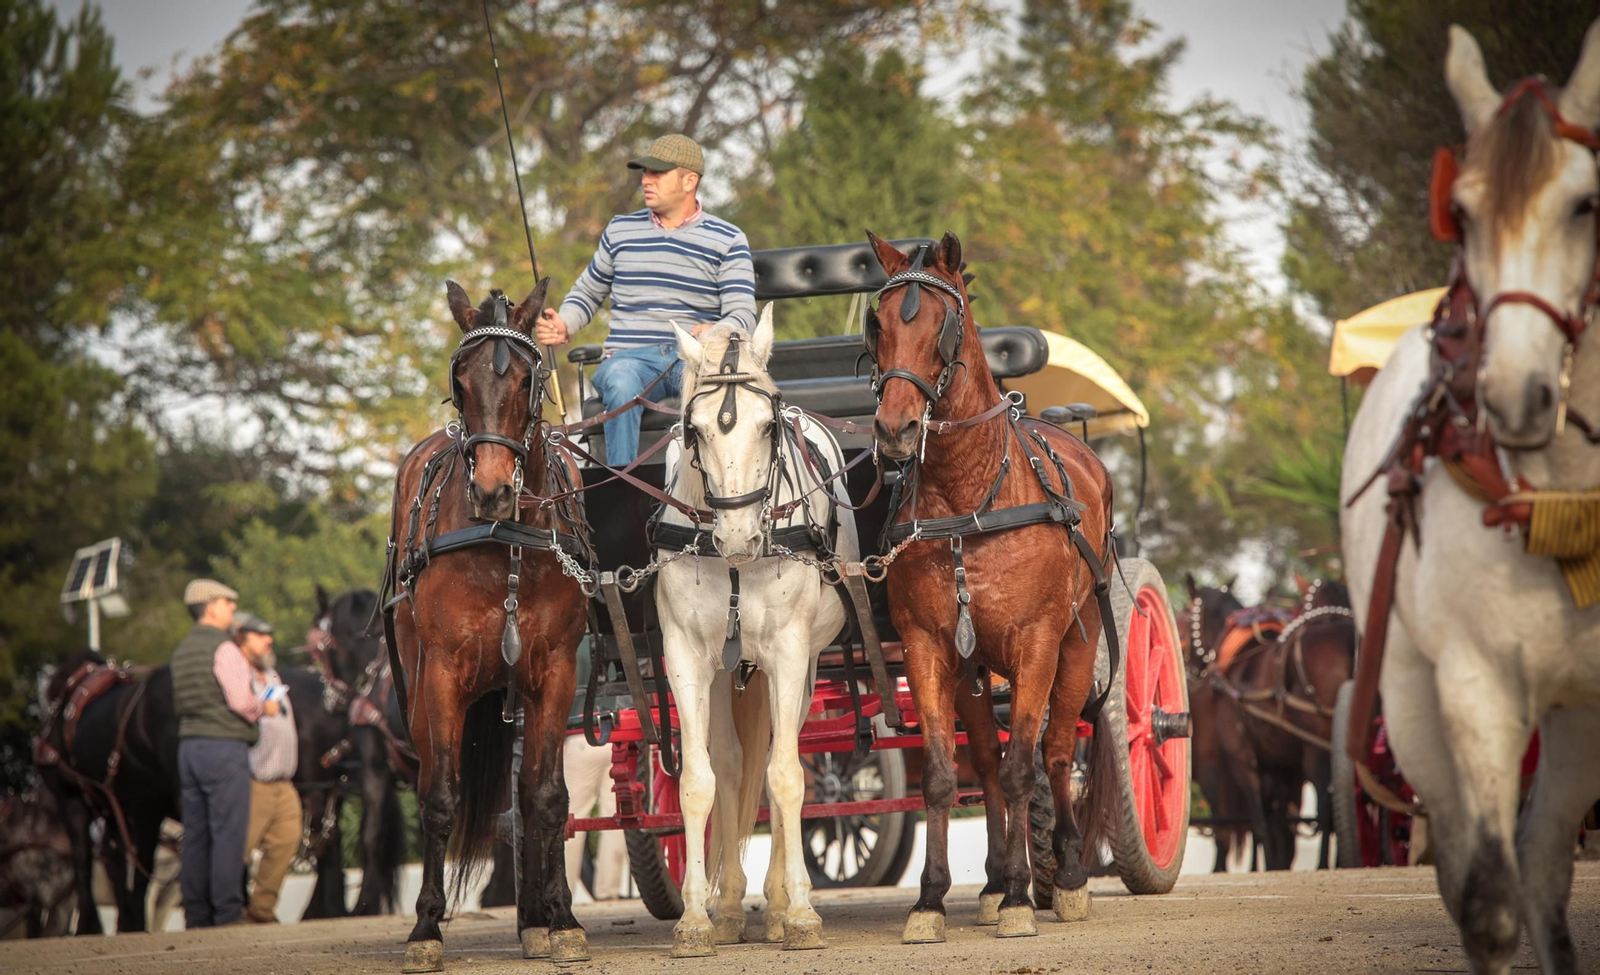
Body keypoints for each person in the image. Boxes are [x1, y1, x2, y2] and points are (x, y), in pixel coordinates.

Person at [537, 133, 757, 466]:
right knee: (622, 382)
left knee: (715, 390)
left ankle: (711, 488)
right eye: (644, 173)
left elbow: (742, 313)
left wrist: (715, 331)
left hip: (694, 357)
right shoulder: (620, 231)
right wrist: (564, 322)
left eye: (657, 173)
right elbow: (587, 291)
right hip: (630, 359)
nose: (646, 180)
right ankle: (622, 490)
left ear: (689, 181)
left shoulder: (727, 239)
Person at [171, 579, 278, 928]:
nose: (233, 608)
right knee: (229, 833)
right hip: (223, 748)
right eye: (227, 603)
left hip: (189, 748)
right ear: (211, 606)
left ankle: (197, 916)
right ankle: (229, 913)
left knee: (196, 836)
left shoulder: (182, 649)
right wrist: (266, 706)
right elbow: (241, 703)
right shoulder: (224, 648)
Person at [234, 613, 299, 924]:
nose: (268, 640)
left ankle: (261, 909)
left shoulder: (270, 674)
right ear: (242, 640)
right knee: (239, 849)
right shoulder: (237, 676)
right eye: (260, 635)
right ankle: (222, 908)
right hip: (255, 779)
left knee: (287, 839)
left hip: (284, 782)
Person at [563, 639, 627, 902]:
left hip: (579, 736)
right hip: (616, 736)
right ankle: (608, 891)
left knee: (571, 821)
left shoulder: (571, 645)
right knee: (616, 819)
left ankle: (563, 889)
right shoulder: (614, 644)